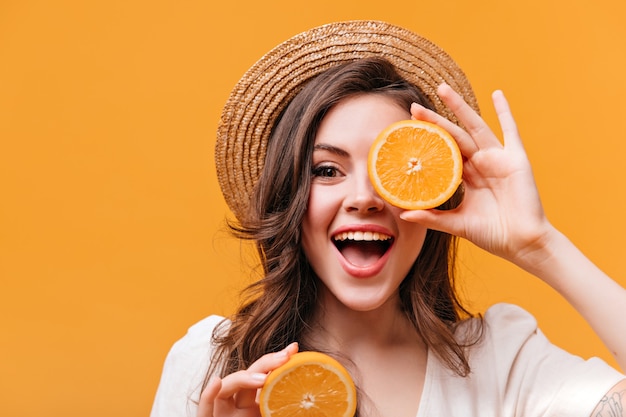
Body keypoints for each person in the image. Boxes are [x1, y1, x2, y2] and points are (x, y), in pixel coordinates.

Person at [150, 20, 626, 417]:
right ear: (288, 195)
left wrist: (540, 245)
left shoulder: (501, 361)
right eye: (327, 170)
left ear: (432, 199)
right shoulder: (211, 364)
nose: (365, 198)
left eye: (391, 172)